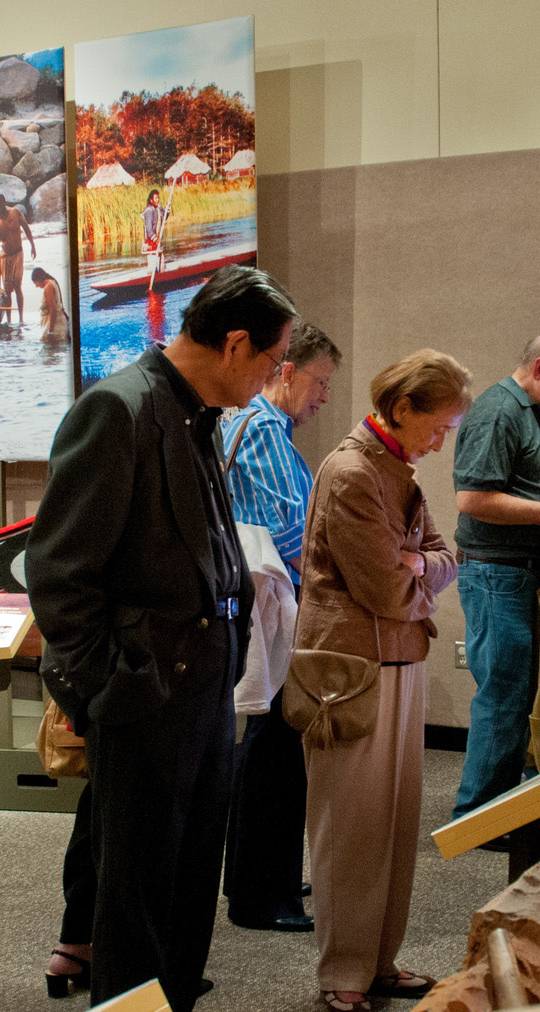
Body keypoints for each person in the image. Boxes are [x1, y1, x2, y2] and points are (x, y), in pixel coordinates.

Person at [29, 265, 294, 1012]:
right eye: (272, 361)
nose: (273, 379)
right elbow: (59, 576)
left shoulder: (193, 411)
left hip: (203, 690)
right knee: (136, 900)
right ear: (236, 344)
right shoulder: (119, 408)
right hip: (147, 699)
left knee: (185, 886)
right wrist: (111, 690)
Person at [298, 348, 468, 1012]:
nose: (443, 440)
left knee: (394, 823)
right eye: (440, 425)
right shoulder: (351, 472)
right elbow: (384, 590)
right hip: (352, 671)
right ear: (402, 408)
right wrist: (419, 572)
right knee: (352, 827)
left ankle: (377, 961)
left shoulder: (396, 469)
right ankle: (343, 972)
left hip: (398, 659)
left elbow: (445, 558)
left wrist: (417, 564)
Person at [218, 321, 338, 934]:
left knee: (267, 745)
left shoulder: (257, 425)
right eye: (319, 383)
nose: (324, 397)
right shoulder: (263, 426)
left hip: (265, 602)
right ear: (286, 371)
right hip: (273, 604)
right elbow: (291, 531)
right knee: (274, 751)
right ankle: (263, 893)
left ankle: (262, 877)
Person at [451, 329, 540, 821]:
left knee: (516, 694)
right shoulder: (498, 411)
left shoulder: (528, 410)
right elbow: (472, 499)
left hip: (514, 574)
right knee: (503, 696)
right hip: (497, 575)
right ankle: (479, 818)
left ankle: (501, 811)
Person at [0, 194, 37, 323]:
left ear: (4, 203)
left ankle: (21, 318)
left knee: (18, 287)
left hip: (18, 254)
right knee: (7, 291)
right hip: (5, 257)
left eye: (0, 204)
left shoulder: (15, 213)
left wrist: (32, 246)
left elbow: (26, 228)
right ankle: (9, 320)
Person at [32, 266, 69, 344]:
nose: (36, 286)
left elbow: (53, 309)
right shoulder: (52, 282)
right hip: (58, 322)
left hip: (55, 325)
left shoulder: (48, 287)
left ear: (39, 280)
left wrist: (50, 331)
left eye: (35, 283)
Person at [141, 188, 169, 274]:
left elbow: (164, 217)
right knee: (152, 266)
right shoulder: (149, 211)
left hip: (157, 241)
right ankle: (151, 276)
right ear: (151, 200)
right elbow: (149, 230)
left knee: (161, 264)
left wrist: (168, 207)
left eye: (158, 198)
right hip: (151, 242)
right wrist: (155, 239)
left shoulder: (158, 208)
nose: (157, 200)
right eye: (156, 198)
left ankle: (162, 275)